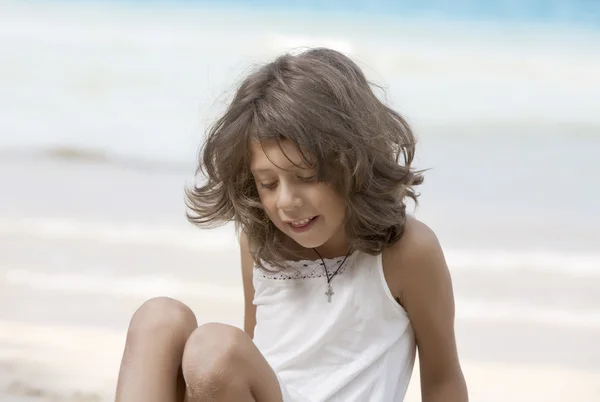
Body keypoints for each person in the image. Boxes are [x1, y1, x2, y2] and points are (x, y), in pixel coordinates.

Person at [114, 47, 468, 402]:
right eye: (268, 184)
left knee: (214, 349)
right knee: (158, 319)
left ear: (353, 162)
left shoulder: (407, 252)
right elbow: (254, 358)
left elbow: (442, 380)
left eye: (307, 176)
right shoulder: (258, 242)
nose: (286, 201)